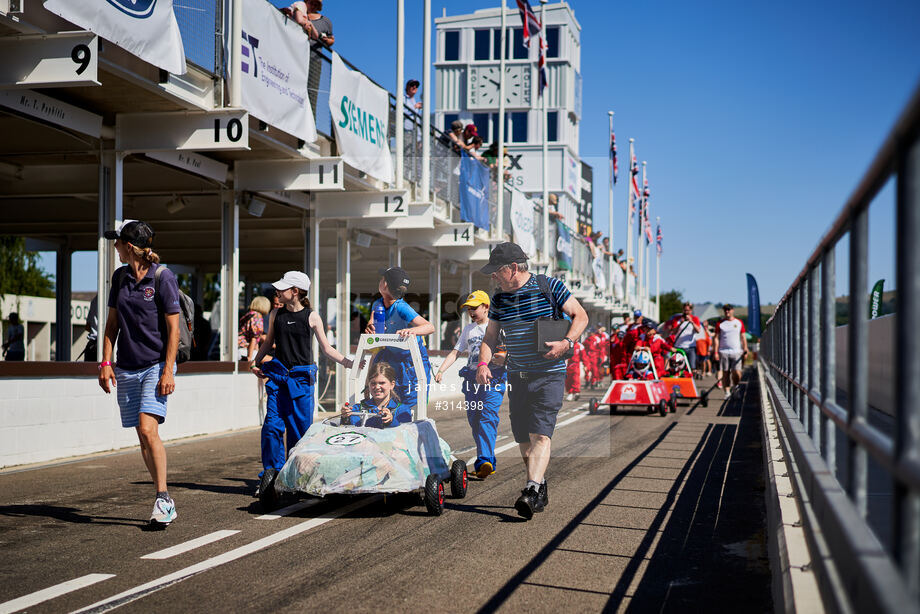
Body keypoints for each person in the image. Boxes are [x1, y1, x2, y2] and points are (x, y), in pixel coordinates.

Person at [476, 242, 588, 520]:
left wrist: (566, 342)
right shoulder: (499, 299)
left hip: (548, 374)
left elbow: (580, 316)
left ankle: (531, 487)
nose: (493, 277)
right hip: (518, 375)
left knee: (540, 433)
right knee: (523, 438)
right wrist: (482, 363)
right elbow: (490, 337)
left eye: (496, 272)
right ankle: (539, 485)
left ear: (513, 268)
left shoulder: (548, 286)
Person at [97, 220, 181, 527]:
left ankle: (163, 498)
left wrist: (168, 371)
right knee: (142, 438)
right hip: (126, 368)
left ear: (128, 247)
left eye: (117, 243)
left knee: (148, 430)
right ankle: (163, 498)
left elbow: (173, 330)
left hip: (155, 366)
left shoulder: (163, 277)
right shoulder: (119, 278)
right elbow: (111, 326)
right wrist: (106, 363)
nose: (114, 247)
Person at [251, 271, 353, 496]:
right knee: (271, 428)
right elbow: (268, 343)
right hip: (278, 379)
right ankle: (271, 476)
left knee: (299, 433)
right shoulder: (275, 314)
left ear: (295, 292)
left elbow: (326, 349)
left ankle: (297, 475)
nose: (277, 292)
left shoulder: (312, 316)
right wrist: (255, 362)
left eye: (283, 288)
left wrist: (348, 363)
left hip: (301, 381)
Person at [434, 290, 507, 479]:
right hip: (471, 380)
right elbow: (455, 352)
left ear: (486, 307)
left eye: (475, 308)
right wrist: (441, 370)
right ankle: (489, 461)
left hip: (493, 379)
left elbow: (510, 350)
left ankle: (483, 460)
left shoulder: (497, 326)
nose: (471, 312)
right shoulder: (468, 330)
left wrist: (503, 358)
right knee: (475, 421)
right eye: (468, 309)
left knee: (487, 417)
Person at [364, 267, 434, 410]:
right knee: (388, 401)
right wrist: (370, 328)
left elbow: (429, 327)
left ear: (385, 285)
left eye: (382, 279)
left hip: (411, 360)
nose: (380, 281)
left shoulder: (401, 307)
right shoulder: (378, 304)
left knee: (413, 403)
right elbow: (372, 321)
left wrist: (410, 330)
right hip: (391, 355)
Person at [340, 362, 405, 429]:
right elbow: (349, 430)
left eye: (382, 383)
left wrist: (391, 421)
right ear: (369, 384)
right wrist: (345, 417)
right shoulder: (358, 409)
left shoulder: (402, 410)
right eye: (373, 383)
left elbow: (405, 435)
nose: (377, 387)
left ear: (392, 385)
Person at [713, 304, 748, 397]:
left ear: (733, 310)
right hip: (723, 351)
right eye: (725, 310)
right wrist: (715, 352)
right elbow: (716, 338)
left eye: (728, 310)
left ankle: (736, 386)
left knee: (736, 372)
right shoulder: (720, 323)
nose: (727, 311)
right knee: (725, 372)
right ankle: (727, 392)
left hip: (736, 351)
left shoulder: (739, 322)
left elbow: (743, 337)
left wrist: (745, 349)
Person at [664, 302, 703, 375]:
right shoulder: (677, 319)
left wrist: (691, 322)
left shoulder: (695, 318)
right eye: (685, 310)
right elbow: (673, 332)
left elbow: (698, 331)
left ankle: (690, 382)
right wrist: (680, 323)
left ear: (691, 311)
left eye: (688, 310)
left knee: (691, 367)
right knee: (677, 367)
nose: (686, 312)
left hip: (690, 347)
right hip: (679, 347)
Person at [239, 296, 270, 362]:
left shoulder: (248, 314)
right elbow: (254, 338)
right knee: (274, 361)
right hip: (245, 349)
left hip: (238, 348)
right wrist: (249, 358)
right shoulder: (257, 316)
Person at [565, 334, 585, 401]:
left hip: (576, 365)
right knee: (568, 380)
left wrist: (586, 366)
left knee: (575, 379)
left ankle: (576, 392)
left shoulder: (580, 346)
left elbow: (584, 357)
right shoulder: (568, 345)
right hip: (568, 365)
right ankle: (570, 393)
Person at [82, 296, 98, 361]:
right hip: (104, 345)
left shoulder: (94, 300)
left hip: (92, 345)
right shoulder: (113, 298)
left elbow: (88, 327)